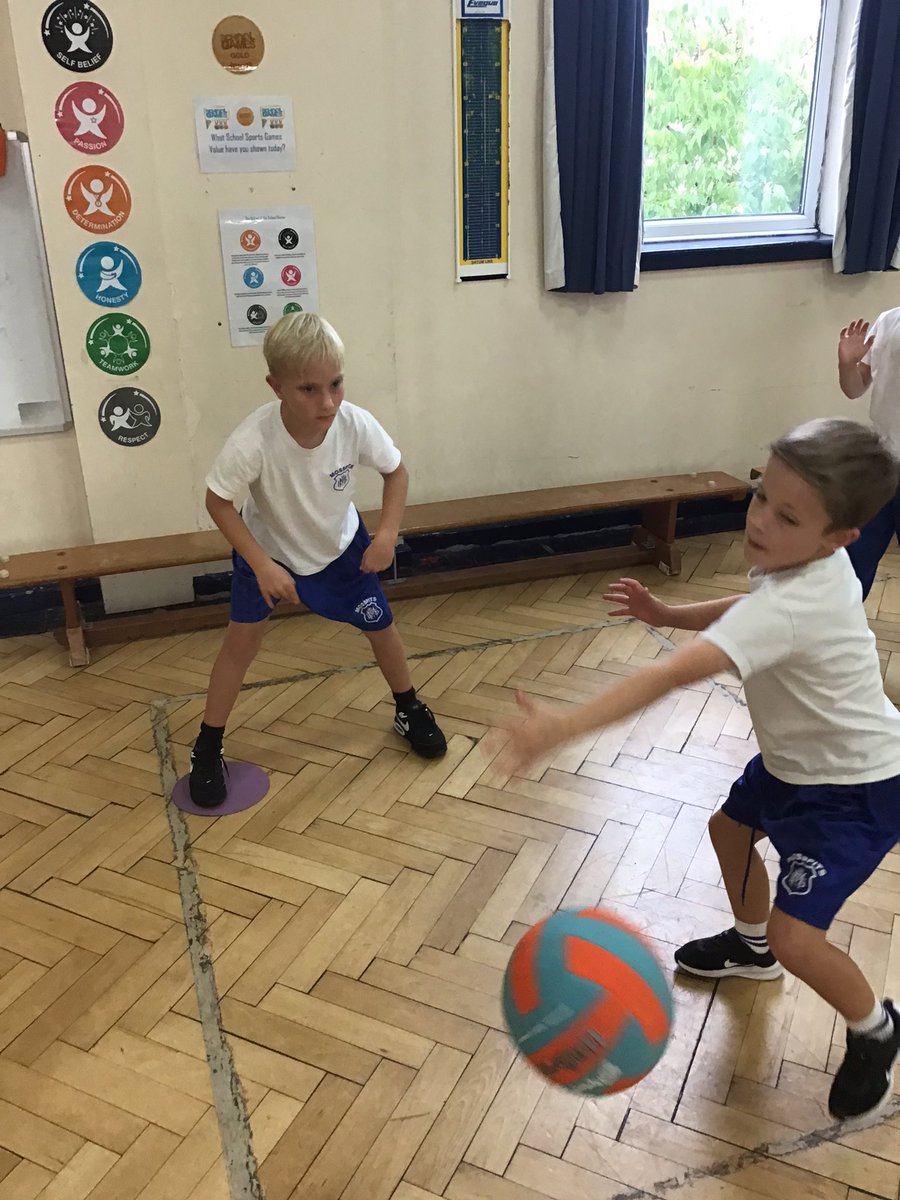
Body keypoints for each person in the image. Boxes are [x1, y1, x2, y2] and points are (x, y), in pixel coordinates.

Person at [500, 418, 900, 1123]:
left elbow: (673, 677)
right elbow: (753, 609)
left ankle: (877, 1029)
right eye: (760, 498)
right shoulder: (808, 565)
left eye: (787, 515)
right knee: (728, 829)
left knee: (797, 937)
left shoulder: (802, 592)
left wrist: (560, 728)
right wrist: (668, 611)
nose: (760, 522)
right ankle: (751, 950)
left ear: (841, 537)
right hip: (796, 765)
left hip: (855, 789)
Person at [189, 312, 446, 807]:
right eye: (309, 389)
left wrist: (388, 535)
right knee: (240, 646)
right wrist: (262, 564)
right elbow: (218, 501)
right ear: (276, 386)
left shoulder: (354, 423)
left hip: (341, 549)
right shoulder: (253, 439)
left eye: (335, 384)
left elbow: (397, 473)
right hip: (270, 555)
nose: (327, 402)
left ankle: (408, 707)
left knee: (382, 628)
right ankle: (207, 745)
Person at [838, 310, 900, 597]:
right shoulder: (888, 320)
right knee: (851, 563)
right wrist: (847, 364)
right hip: (882, 463)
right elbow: (854, 388)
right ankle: (837, 634)